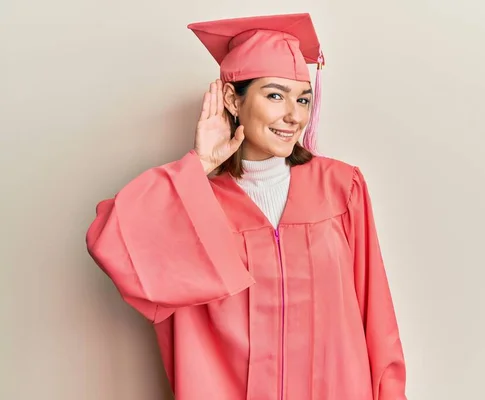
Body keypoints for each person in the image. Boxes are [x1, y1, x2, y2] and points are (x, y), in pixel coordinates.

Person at [86, 12, 408, 400]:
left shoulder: (341, 187)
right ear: (230, 99)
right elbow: (112, 241)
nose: (294, 114)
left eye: (303, 99)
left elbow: (377, 316)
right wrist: (200, 164)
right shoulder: (192, 202)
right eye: (275, 95)